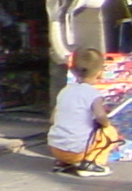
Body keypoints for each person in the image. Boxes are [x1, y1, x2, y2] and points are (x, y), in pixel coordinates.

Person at [48, 47, 118, 177]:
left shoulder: (65, 91)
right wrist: (106, 123)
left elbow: (53, 119)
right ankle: (91, 163)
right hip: (77, 152)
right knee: (110, 132)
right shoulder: (93, 94)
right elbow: (100, 116)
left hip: (56, 149)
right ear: (99, 72)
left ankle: (62, 163)